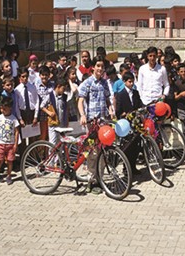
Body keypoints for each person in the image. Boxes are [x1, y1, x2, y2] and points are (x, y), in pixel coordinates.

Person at [77, 56, 114, 194]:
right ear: (93, 67)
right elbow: (80, 101)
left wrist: (111, 109)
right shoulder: (88, 83)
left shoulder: (105, 83)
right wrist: (82, 115)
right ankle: (91, 181)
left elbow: (107, 100)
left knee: (103, 151)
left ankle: (100, 179)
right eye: (98, 66)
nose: (100, 68)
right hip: (92, 122)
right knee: (92, 152)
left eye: (102, 66)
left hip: (103, 122)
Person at [115, 72, 143, 174]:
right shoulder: (120, 94)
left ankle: (133, 166)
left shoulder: (135, 93)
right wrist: (123, 114)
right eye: (129, 82)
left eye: (132, 81)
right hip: (126, 124)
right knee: (128, 147)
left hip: (135, 122)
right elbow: (118, 110)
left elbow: (139, 104)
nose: (131, 84)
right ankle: (126, 168)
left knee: (136, 146)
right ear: (124, 82)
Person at [0, 96, 19, 185]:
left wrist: (15, 144)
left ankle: (9, 175)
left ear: (10, 108)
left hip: (10, 144)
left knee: (10, 160)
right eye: (1, 109)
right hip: (1, 143)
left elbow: (16, 131)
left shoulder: (13, 119)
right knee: (0, 160)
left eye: (5, 109)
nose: (3, 111)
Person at [41, 79, 69, 146]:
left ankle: (60, 156)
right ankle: (52, 156)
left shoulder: (64, 97)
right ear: (58, 86)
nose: (64, 91)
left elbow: (66, 109)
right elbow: (42, 106)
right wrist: (49, 112)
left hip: (61, 123)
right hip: (53, 123)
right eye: (63, 89)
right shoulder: (50, 96)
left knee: (62, 142)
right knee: (52, 142)